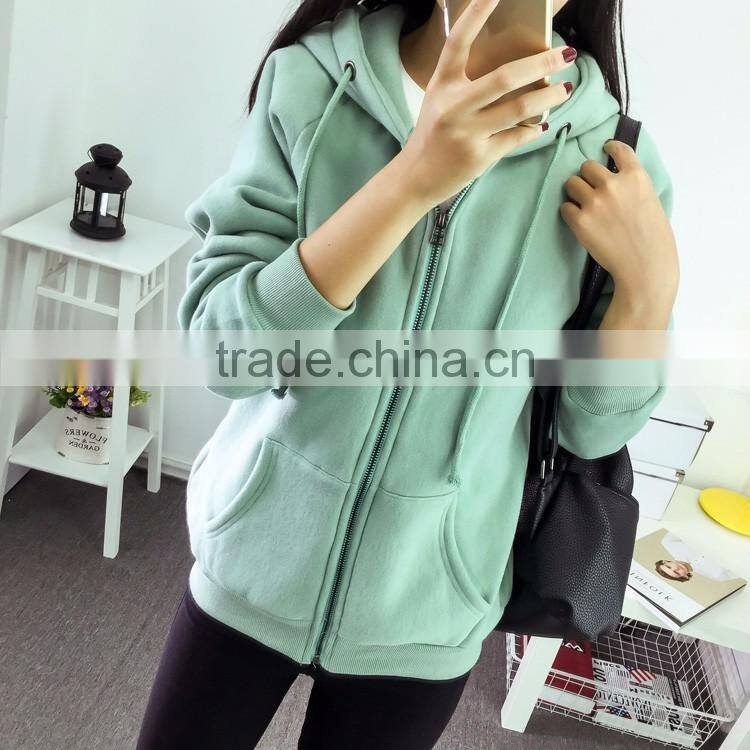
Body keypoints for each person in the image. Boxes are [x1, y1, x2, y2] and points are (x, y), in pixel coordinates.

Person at [137, 0, 679, 747]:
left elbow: (592, 429)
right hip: (251, 561)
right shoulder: (309, 81)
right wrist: (412, 180)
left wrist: (651, 291)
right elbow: (223, 353)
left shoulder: (614, 162)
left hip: (430, 610)